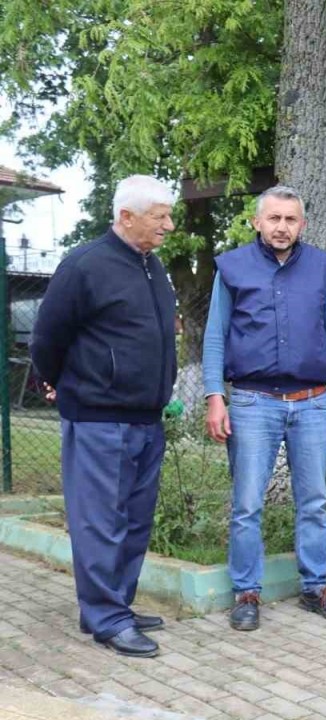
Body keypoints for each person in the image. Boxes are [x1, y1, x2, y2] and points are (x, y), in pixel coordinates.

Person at [30, 175, 178, 658]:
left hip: (146, 417)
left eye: (169, 216)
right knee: (100, 520)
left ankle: (115, 605)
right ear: (126, 217)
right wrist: (63, 383)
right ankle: (106, 617)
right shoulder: (85, 265)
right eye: (159, 217)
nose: (168, 226)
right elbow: (47, 339)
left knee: (134, 521)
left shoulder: (151, 266)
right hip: (99, 417)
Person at [203, 185, 326, 631]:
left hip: (311, 402)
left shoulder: (322, 267)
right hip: (252, 402)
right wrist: (215, 396)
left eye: (290, 219)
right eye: (274, 218)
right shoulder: (232, 268)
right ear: (257, 222)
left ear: (302, 224)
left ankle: (315, 587)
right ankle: (246, 592)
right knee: (247, 504)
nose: (282, 227)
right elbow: (215, 335)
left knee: (314, 502)